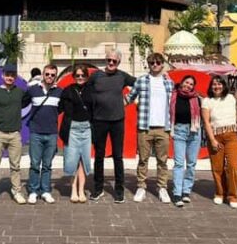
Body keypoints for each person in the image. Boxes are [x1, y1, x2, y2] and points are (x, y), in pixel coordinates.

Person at [87, 49, 135, 203]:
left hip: (117, 121)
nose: (111, 63)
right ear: (105, 60)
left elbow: (140, 84)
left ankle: (119, 191)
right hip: (99, 121)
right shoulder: (96, 76)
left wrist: (128, 100)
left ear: (119, 62)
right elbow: (86, 91)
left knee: (117, 156)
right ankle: (98, 188)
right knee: (99, 156)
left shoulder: (122, 76)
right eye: (109, 60)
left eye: (114, 61)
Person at [125, 52, 174, 204]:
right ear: (148, 64)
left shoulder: (169, 83)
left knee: (162, 160)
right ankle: (141, 187)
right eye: (152, 63)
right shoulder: (141, 81)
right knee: (143, 159)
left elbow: (174, 104)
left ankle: (162, 187)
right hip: (145, 127)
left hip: (163, 127)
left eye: (158, 63)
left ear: (162, 64)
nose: (155, 65)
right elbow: (128, 98)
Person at [0, 64, 27, 205]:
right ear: (2, 76)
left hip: (15, 134)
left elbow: (31, 98)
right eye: (7, 75)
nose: (10, 77)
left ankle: (16, 191)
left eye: (12, 75)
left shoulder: (20, 92)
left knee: (15, 166)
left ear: (15, 77)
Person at [23, 64, 62, 204]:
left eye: (53, 75)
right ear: (43, 75)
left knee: (47, 165)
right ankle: (33, 191)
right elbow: (21, 103)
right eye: (47, 74)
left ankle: (45, 191)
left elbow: (61, 108)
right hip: (36, 133)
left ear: (55, 76)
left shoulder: (59, 92)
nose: (50, 77)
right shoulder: (33, 90)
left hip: (51, 133)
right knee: (34, 164)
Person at [201, 75, 237, 208]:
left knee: (233, 166)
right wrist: (212, 140)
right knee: (217, 168)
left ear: (224, 85)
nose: (217, 87)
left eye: (219, 84)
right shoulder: (207, 101)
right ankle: (219, 193)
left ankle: (233, 195)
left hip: (232, 135)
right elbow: (206, 122)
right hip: (216, 135)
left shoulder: (231, 98)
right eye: (214, 84)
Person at [59, 64, 93, 203]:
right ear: (73, 77)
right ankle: (73, 189)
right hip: (72, 128)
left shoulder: (91, 91)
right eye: (77, 75)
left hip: (87, 128)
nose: (80, 78)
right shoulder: (67, 90)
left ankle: (81, 190)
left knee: (83, 161)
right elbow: (58, 107)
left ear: (86, 76)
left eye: (83, 75)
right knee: (72, 161)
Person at [169, 74, 203, 208]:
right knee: (178, 163)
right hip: (179, 131)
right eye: (186, 82)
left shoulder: (197, 98)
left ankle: (186, 191)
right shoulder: (172, 95)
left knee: (191, 163)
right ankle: (177, 193)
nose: (188, 86)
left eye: (191, 84)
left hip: (194, 131)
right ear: (181, 82)